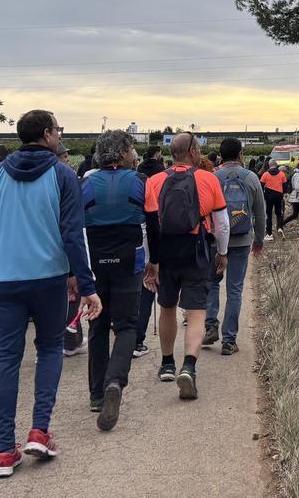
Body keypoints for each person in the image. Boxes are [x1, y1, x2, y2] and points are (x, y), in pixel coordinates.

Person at [0, 110, 101, 478]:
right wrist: (85, 284)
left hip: (3, 277)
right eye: (58, 130)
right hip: (48, 277)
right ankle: (40, 430)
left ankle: (2, 451)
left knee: (6, 357)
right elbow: (73, 233)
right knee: (48, 348)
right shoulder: (62, 175)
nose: (60, 135)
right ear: (46, 134)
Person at [143, 132, 228, 400]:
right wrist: (222, 253)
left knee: (167, 307)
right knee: (196, 312)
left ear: (172, 154)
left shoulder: (154, 181)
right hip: (195, 252)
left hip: (165, 253)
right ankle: (188, 367)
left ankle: (167, 363)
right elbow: (222, 223)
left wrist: (150, 261)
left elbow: (147, 227)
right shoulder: (208, 179)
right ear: (193, 151)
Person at [81, 130, 147, 431]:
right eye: (131, 148)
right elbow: (151, 223)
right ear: (122, 153)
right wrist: (153, 262)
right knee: (127, 326)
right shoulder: (138, 182)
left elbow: (74, 227)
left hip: (95, 262)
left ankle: (97, 393)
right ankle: (115, 382)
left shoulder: (85, 184)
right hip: (128, 262)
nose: (134, 153)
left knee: (97, 324)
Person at [208, 139, 265, 354]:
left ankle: (210, 326)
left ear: (221, 156)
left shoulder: (213, 178)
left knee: (212, 283)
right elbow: (260, 213)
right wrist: (258, 239)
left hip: (215, 240)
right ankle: (229, 340)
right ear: (241, 154)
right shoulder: (251, 178)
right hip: (241, 241)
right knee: (235, 289)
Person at [131, 144, 166, 358]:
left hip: (117, 246)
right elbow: (153, 222)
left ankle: (125, 336)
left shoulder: (138, 176)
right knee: (146, 291)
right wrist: (155, 258)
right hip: (144, 243)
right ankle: (137, 341)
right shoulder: (152, 178)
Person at [279, 160, 299, 234]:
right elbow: (297, 187)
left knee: (295, 214)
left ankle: (281, 225)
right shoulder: (297, 175)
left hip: (297, 197)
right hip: (298, 198)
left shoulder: (297, 173)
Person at [261, 160, 287, 239]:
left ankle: (269, 234)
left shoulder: (265, 174)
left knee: (268, 214)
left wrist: (263, 195)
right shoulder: (282, 174)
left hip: (268, 196)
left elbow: (261, 186)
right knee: (279, 213)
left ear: (269, 165)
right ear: (276, 165)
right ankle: (280, 228)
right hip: (279, 195)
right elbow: (285, 187)